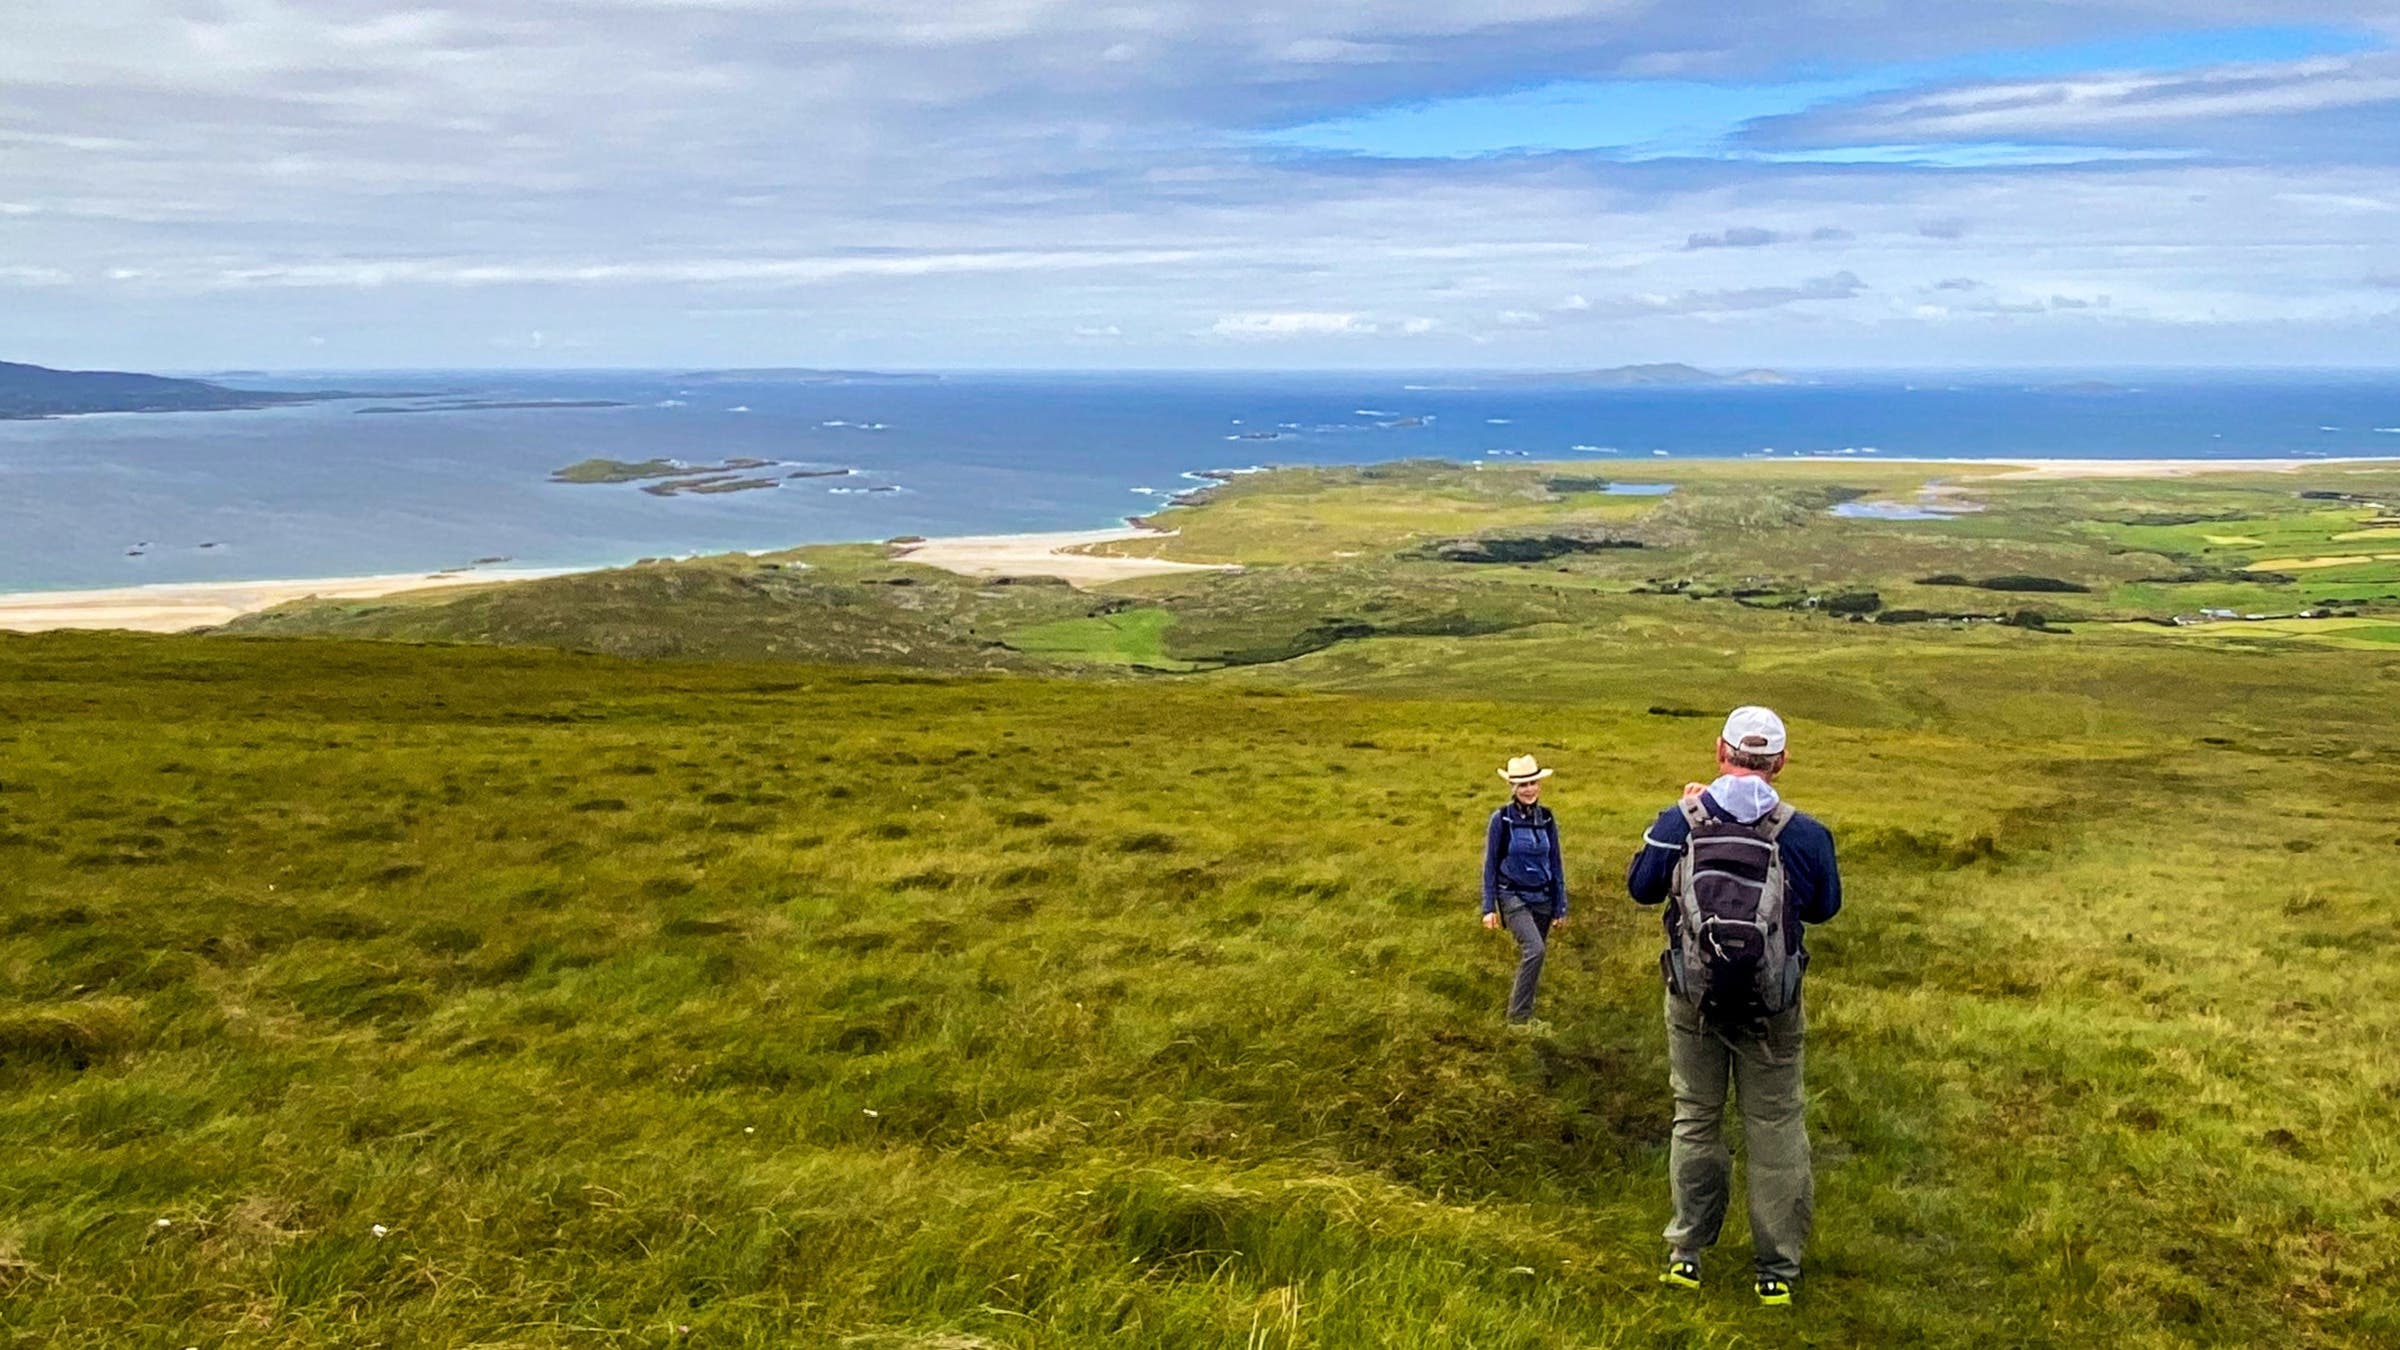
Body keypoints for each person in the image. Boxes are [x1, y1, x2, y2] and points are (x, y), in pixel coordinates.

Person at [1626, 706, 1841, 1307]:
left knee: (1696, 1118)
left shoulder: (1682, 819)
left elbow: (1642, 888)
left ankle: (1687, 1253)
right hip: (1773, 1006)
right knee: (1774, 1126)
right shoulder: (1805, 832)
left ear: (1719, 750)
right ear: (1781, 762)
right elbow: (1825, 907)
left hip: (1692, 998)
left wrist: (1678, 819)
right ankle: (1777, 1269)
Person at [1483, 754, 1567, 1028]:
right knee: (1535, 950)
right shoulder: (1502, 820)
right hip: (1512, 895)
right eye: (1522, 785)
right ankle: (1517, 1020)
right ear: (1513, 789)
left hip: (1542, 896)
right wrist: (1488, 907)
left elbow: (1555, 862)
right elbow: (1490, 865)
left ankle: (1525, 1011)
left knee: (1535, 956)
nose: (1529, 789)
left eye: (1532, 783)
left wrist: (1560, 905)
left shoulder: (1547, 818)